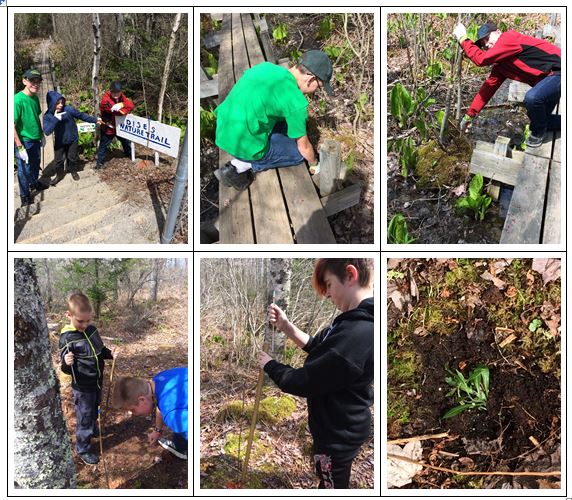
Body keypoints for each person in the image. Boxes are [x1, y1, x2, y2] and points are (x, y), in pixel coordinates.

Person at [258, 258, 374, 489]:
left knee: (331, 483)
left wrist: (270, 365)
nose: (327, 294)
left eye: (329, 284)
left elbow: (304, 381)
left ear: (350, 275)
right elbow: (317, 346)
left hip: (338, 436)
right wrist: (286, 326)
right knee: (329, 477)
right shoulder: (348, 322)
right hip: (335, 428)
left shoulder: (359, 333)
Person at [214, 50, 333, 191]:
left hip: (223, 130)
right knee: (297, 154)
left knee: (282, 122)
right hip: (243, 146)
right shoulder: (295, 101)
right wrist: (314, 164)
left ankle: (245, 158)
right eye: (318, 87)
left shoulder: (266, 67)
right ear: (311, 79)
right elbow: (304, 148)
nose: (316, 90)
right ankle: (240, 166)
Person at [453, 21, 561, 148]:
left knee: (532, 99)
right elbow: (487, 89)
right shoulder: (501, 65)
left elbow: (481, 60)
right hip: (550, 80)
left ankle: (538, 134)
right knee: (540, 118)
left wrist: (463, 39)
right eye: (483, 44)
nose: (487, 44)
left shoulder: (508, 38)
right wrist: (470, 115)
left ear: (498, 32)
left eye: (487, 38)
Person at [58, 293, 117, 465]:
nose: (84, 325)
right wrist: (66, 363)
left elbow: (100, 350)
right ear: (68, 315)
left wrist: (110, 354)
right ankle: (83, 448)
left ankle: (92, 427)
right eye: (80, 321)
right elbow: (65, 369)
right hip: (82, 386)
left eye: (88, 321)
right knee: (84, 415)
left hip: (97, 380)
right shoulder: (67, 338)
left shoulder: (91, 330)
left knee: (95, 407)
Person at [112, 366, 188, 460]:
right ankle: (181, 447)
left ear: (142, 399)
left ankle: (184, 450)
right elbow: (158, 404)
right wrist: (157, 431)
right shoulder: (158, 380)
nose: (132, 414)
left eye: (132, 410)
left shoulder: (172, 415)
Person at [43, 90, 103, 185]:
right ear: (51, 104)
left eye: (62, 102)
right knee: (58, 161)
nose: (60, 105)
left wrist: (95, 120)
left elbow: (81, 115)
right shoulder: (48, 116)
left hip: (72, 138)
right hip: (60, 141)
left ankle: (73, 171)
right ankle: (59, 175)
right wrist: (55, 119)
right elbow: (47, 131)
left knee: (72, 158)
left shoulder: (68, 109)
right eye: (57, 103)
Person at [14, 68, 48, 206]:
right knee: (23, 170)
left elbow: (36, 117)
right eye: (32, 80)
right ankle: (24, 195)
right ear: (24, 81)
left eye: (38, 81)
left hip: (35, 138)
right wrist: (19, 146)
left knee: (35, 163)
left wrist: (41, 134)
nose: (35, 84)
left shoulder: (34, 98)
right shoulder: (16, 100)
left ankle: (34, 183)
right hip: (24, 141)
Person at [95, 81, 135, 169]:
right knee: (103, 145)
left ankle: (129, 154)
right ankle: (99, 164)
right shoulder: (105, 101)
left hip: (119, 126)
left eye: (118, 92)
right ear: (110, 91)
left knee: (125, 141)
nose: (116, 94)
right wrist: (125, 108)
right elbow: (118, 113)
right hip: (108, 126)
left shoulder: (121, 96)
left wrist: (122, 104)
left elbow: (131, 105)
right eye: (114, 92)